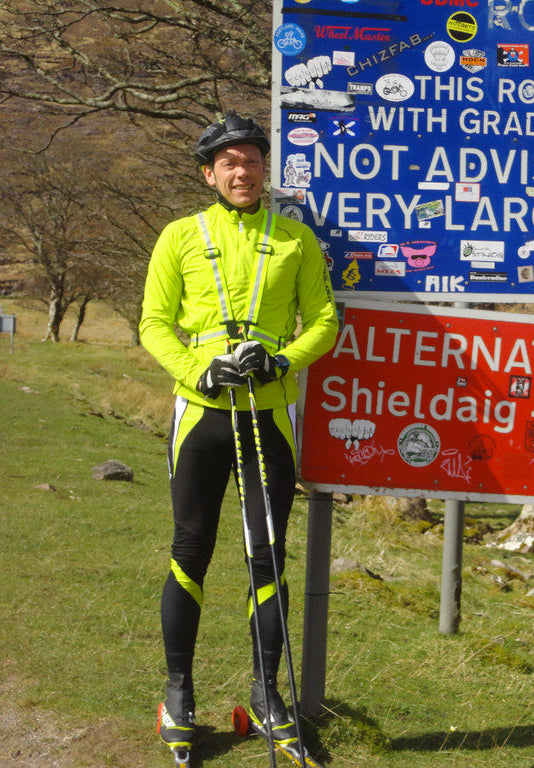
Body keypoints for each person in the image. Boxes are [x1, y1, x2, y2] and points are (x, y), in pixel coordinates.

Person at [140, 111, 339, 760]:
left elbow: (325, 321)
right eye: (228, 162)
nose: (241, 170)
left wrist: (282, 360)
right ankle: (178, 691)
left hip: (269, 415)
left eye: (252, 159)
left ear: (265, 169)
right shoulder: (179, 236)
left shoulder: (295, 241)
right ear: (209, 174)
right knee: (190, 547)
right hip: (201, 413)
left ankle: (265, 691)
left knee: (268, 554)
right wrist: (200, 366)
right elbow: (153, 325)